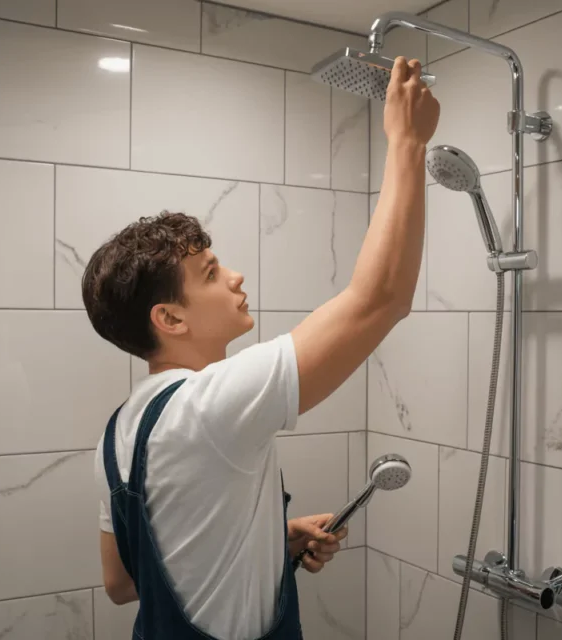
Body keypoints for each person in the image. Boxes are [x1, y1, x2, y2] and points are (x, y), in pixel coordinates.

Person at [83, 56, 440, 640]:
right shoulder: (210, 404)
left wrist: (271, 540)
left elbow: (123, 584)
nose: (236, 278)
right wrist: (407, 142)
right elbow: (382, 300)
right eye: (210, 273)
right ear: (169, 317)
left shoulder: (119, 433)